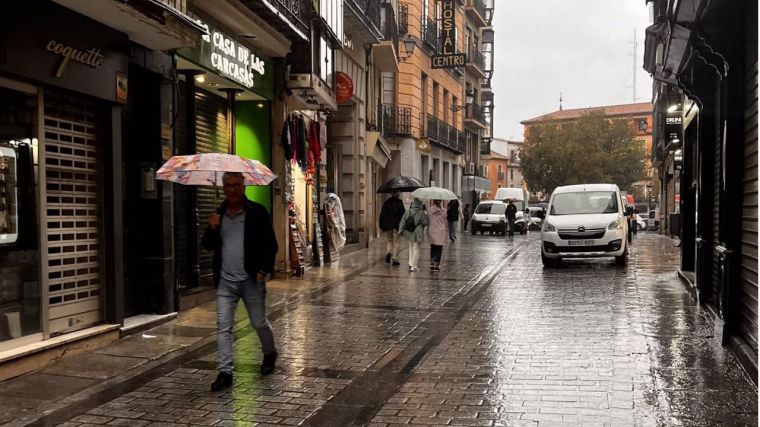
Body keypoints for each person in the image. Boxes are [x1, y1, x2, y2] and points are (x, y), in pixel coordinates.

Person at [202, 172, 279, 392]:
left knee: (258, 322)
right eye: (228, 186)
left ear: (243, 186)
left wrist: (263, 271)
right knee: (223, 327)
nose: (232, 190)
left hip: (251, 279)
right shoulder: (218, 214)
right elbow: (207, 245)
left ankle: (269, 352)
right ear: (223, 188)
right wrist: (211, 227)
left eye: (236, 185)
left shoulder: (257, 212)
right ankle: (225, 372)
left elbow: (270, 245)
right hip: (226, 281)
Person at [398, 197, 429, 272]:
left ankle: (410, 263)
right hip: (417, 232)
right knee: (416, 248)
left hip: (409, 232)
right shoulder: (421, 212)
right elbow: (426, 222)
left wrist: (400, 231)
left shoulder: (408, 211)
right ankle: (414, 266)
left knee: (410, 247)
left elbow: (402, 222)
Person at [378, 192, 405, 266]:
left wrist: (381, 225)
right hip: (397, 226)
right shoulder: (399, 203)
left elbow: (382, 215)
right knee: (396, 241)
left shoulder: (386, 203)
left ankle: (389, 252)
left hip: (387, 226)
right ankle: (395, 259)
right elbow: (403, 215)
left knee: (390, 240)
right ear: (397, 195)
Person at [428, 200, 447, 271]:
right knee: (439, 248)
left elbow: (429, 219)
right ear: (441, 201)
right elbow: (445, 220)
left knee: (433, 246)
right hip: (440, 230)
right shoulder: (444, 211)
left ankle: (432, 262)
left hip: (432, 229)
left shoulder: (429, 210)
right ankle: (437, 265)